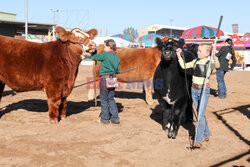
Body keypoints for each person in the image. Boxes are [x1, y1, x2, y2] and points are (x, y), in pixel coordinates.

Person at [176, 44, 220, 148]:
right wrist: (179, 56)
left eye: (200, 51)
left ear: (207, 53)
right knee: (201, 114)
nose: (197, 52)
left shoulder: (210, 63)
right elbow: (184, 66)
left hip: (204, 90)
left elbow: (218, 66)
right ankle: (206, 135)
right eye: (198, 51)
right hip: (194, 90)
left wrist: (214, 56)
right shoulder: (195, 61)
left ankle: (198, 140)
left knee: (200, 115)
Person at [91, 39, 120, 125]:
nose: (104, 48)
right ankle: (115, 118)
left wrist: (94, 51)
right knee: (111, 98)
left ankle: (104, 119)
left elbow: (94, 57)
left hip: (105, 78)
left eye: (105, 46)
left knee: (103, 99)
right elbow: (118, 70)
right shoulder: (116, 56)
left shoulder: (105, 55)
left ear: (109, 46)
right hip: (113, 78)